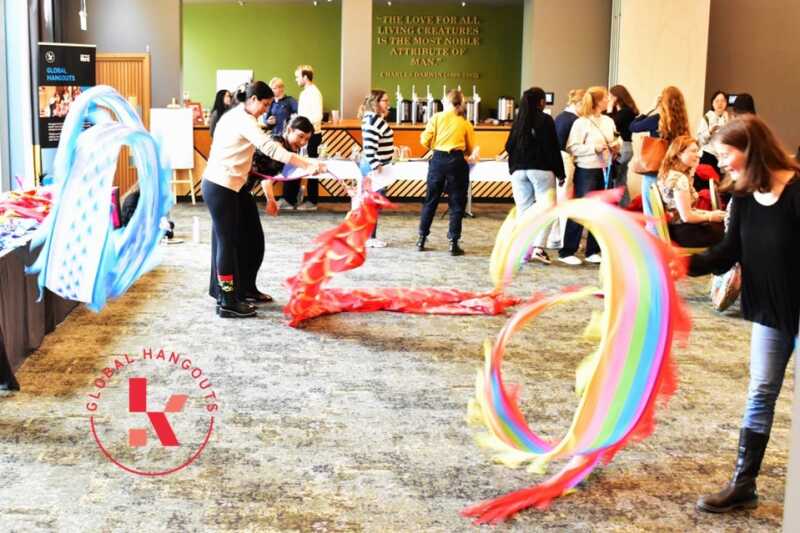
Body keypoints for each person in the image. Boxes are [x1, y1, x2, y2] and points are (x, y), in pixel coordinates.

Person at [688, 115, 800, 513]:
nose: (721, 164)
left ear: (750, 149)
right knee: (760, 393)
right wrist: (681, 265)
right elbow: (727, 253)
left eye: (725, 154)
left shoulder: (797, 192)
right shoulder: (744, 198)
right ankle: (744, 484)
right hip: (770, 311)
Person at [202, 81, 322, 319]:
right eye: (265, 104)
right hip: (221, 185)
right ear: (254, 99)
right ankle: (226, 301)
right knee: (226, 242)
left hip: (231, 186)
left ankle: (237, 293)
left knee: (241, 240)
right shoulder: (241, 119)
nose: (266, 110)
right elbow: (270, 148)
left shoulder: (240, 116)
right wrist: (308, 163)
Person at [560, 86, 620, 266]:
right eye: (605, 98)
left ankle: (593, 250)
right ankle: (567, 250)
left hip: (606, 168)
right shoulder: (581, 123)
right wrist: (593, 149)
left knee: (601, 210)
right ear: (597, 101)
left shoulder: (608, 121)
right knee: (580, 209)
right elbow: (572, 147)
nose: (609, 100)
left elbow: (617, 137)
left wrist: (616, 145)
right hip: (587, 170)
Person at [505, 87, 565, 264]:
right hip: (541, 170)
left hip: (518, 171)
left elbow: (508, 146)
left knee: (524, 212)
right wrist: (560, 173)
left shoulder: (518, 121)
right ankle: (538, 248)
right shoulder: (546, 120)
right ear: (540, 102)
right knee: (547, 208)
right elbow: (553, 149)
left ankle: (523, 249)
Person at [417, 89, 477, 256]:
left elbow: (424, 141)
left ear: (448, 101)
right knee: (457, 204)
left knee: (431, 200)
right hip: (457, 163)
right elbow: (470, 149)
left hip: (438, 161)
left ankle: (421, 239)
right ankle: (453, 243)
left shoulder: (436, 117)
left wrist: (436, 147)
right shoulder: (465, 122)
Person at [630, 86, 691, 216]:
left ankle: (655, 236)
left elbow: (633, 126)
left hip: (655, 171)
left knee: (652, 215)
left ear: (662, 102)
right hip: (674, 173)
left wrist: (651, 108)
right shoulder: (683, 123)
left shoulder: (657, 120)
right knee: (670, 213)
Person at [657, 135, 726, 247]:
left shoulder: (668, 174)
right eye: (693, 151)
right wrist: (710, 216)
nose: (698, 155)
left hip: (676, 230)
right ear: (679, 154)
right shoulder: (680, 179)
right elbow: (686, 216)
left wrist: (711, 213)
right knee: (727, 235)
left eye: (698, 151)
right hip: (684, 233)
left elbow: (684, 211)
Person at [281, 65, 324, 211]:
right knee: (295, 164)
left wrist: (303, 127)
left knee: (312, 166)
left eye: (298, 76)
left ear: (305, 77)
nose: (296, 79)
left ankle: (312, 201)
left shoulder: (314, 93)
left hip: (311, 136)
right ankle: (290, 199)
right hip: (302, 135)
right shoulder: (306, 93)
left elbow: (318, 116)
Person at [358, 89, 394, 248]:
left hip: (374, 165)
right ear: (376, 103)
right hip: (375, 167)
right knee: (373, 203)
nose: (388, 104)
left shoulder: (371, 119)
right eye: (385, 100)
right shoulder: (374, 121)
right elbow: (370, 148)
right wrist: (377, 167)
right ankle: (369, 237)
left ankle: (367, 235)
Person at [607, 85, 639, 206]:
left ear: (616, 97)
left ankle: (622, 209)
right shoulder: (622, 111)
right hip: (624, 148)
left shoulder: (626, 112)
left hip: (623, 148)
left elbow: (610, 125)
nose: (608, 99)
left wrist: (610, 109)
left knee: (617, 181)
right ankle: (626, 208)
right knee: (621, 181)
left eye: (610, 96)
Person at [695, 90, 730, 187]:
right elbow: (700, 140)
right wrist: (709, 132)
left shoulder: (728, 119)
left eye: (723, 101)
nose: (720, 103)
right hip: (708, 156)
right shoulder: (706, 118)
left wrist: (727, 122)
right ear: (712, 103)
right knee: (705, 187)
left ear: (726, 103)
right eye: (717, 101)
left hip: (721, 159)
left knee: (719, 188)